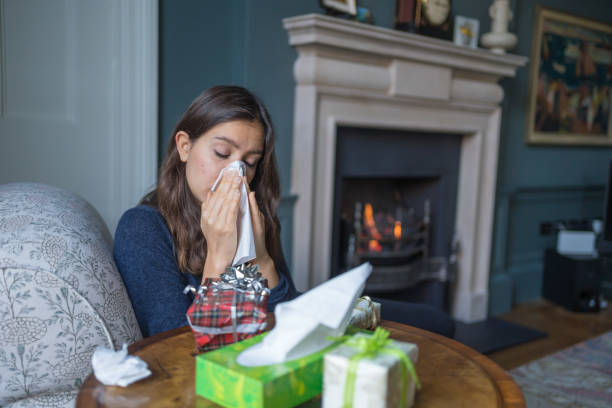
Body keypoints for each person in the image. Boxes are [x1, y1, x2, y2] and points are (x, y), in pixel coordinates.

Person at [114, 86, 299, 337]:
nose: (235, 174)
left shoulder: (256, 219)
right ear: (184, 146)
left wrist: (261, 259)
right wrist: (218, 256)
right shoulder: (142, 229)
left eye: (249, 163)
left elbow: (296, 328)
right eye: (222, 153)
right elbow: (178, 352)